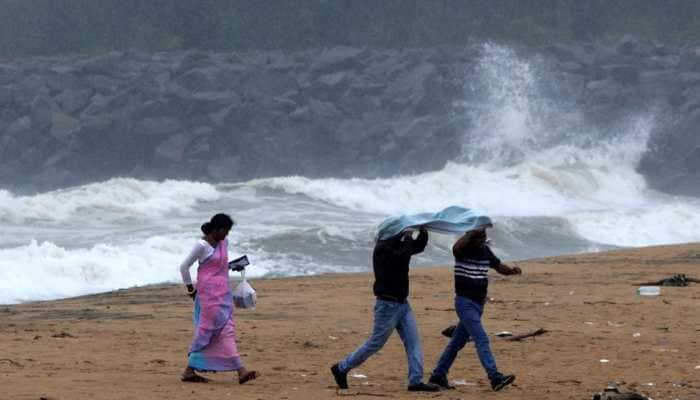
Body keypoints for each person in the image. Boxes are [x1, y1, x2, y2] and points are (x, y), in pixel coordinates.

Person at [331, 227, 440, 392]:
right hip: (387, 306)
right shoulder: (383, 250)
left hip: (403, 304)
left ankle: (415, 381)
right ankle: (341, 368)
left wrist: (423, 231)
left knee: (413, 342)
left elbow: (416, 248)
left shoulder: (395, 246)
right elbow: (403, 256)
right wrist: (409, 236)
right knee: (375, 343)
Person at [428, 226, 521, 392]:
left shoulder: (485, 250)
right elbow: (455, 247)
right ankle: (494, 377)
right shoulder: (462, 251)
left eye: (482, 238)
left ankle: (438, 375)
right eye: (477, 238)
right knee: (482, 339)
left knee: (456, 342)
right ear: (470, 237)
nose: (480, 241)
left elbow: (498, 266)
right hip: (465, 303)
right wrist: (471, 233)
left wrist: (512, 271)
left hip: (479, 304)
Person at [179, 213, 259, 384]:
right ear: (215, 229)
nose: (226, 235)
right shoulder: (202, 245)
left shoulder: (224, 243)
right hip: (208, 297)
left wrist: (234, 266)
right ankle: (240, 370)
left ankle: (191, 371)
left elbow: (219, 266)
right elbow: (184, 267)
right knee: (211, 331)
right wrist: (190, 289)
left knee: (224, 330)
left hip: (223, 294)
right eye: (224, 231)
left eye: (228, 231)